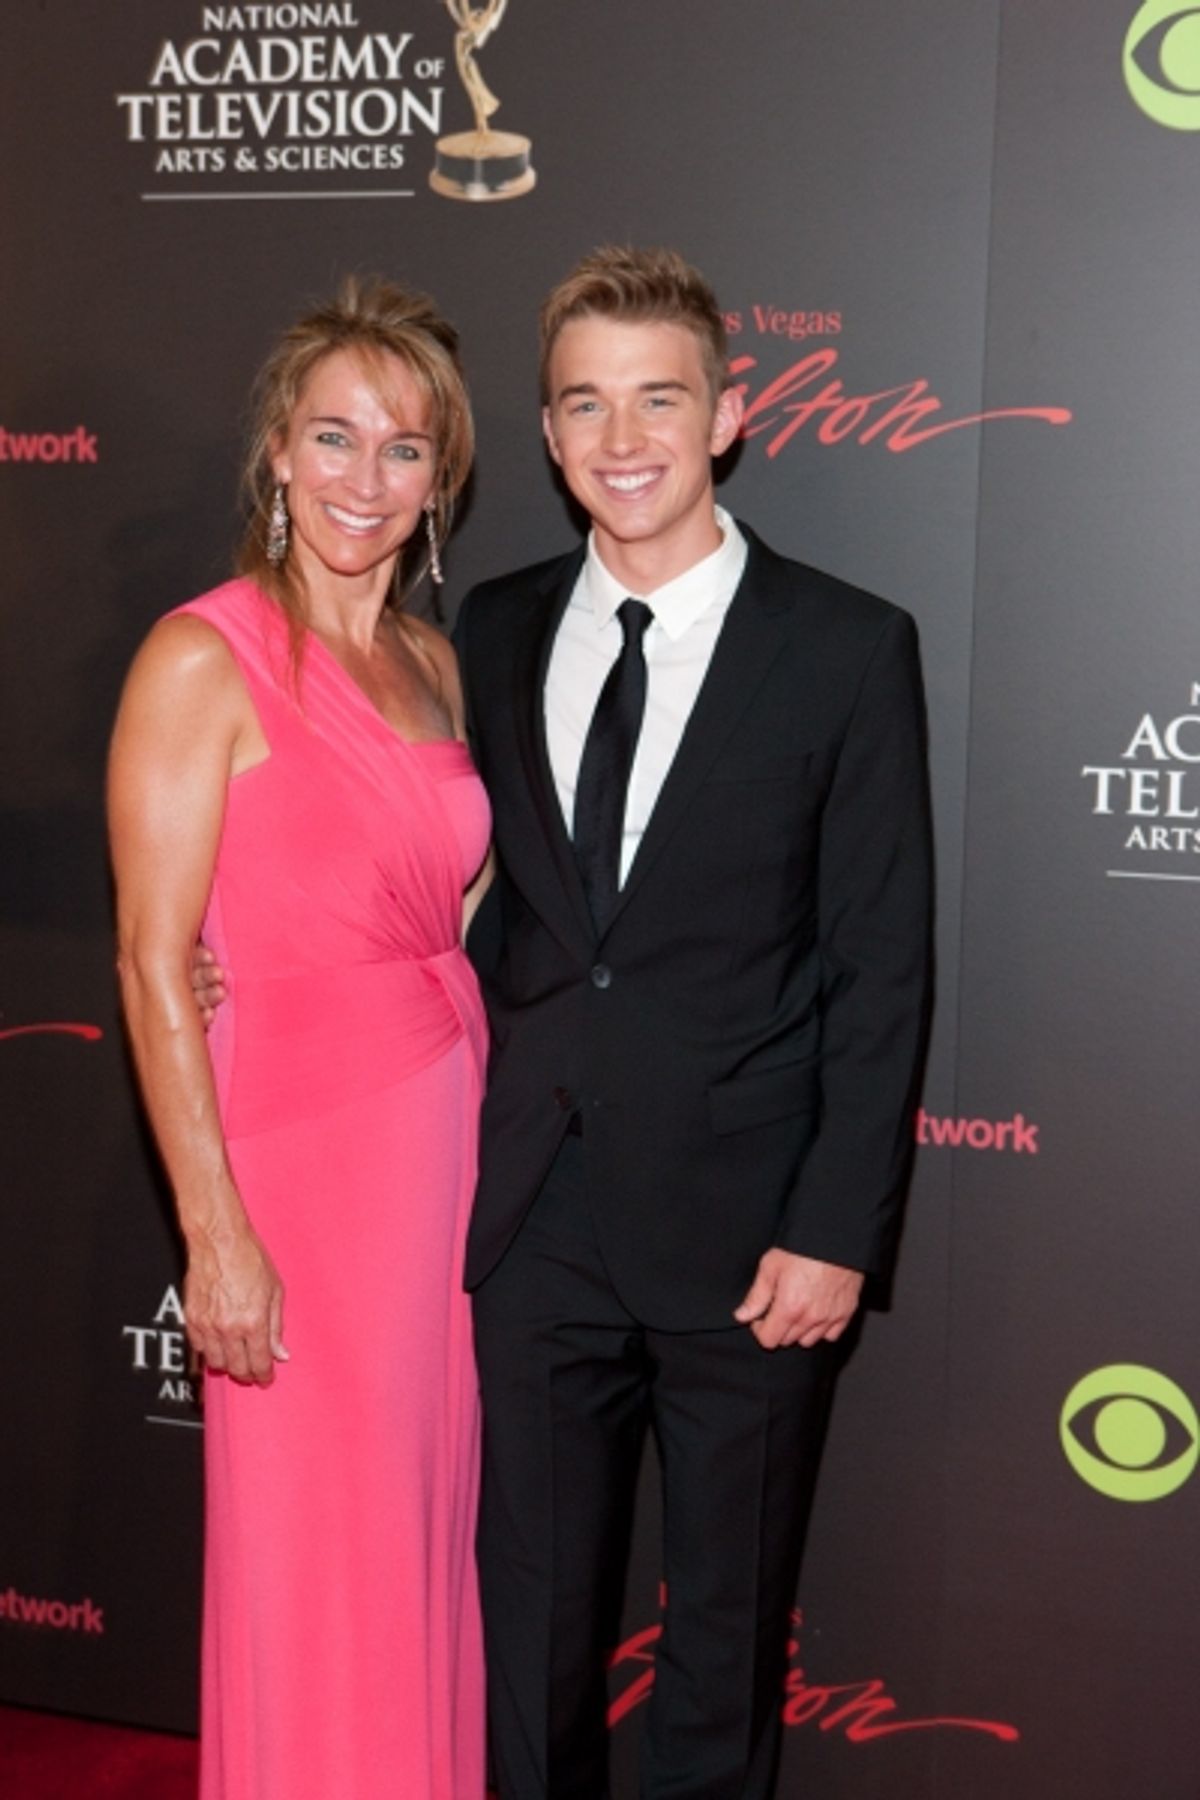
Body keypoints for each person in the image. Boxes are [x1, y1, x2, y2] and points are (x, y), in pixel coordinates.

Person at [453, 246, 933, 1799]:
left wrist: (838, 1228)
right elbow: (447, 896)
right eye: (583, 403)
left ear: (728, 414)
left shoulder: (849, 645)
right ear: (544, 432)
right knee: (527, 1629)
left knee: (722, 1637)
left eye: (659, 396)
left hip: (753, 1241)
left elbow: (883, 963)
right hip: (534, 1214)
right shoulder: (492, 629)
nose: (622, 435)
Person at [108, 275, 489, 1800]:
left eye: (405, 451)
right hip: (302, 1165)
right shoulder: (200, 657)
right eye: (334, 437)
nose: (365, 479)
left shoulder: (438, 666)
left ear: (441, 482)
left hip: (445, 1149)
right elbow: (148, 960)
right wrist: (216, 1236)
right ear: (277, 450)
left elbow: (454, 920)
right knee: (317, 1544)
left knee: (418, 1527)